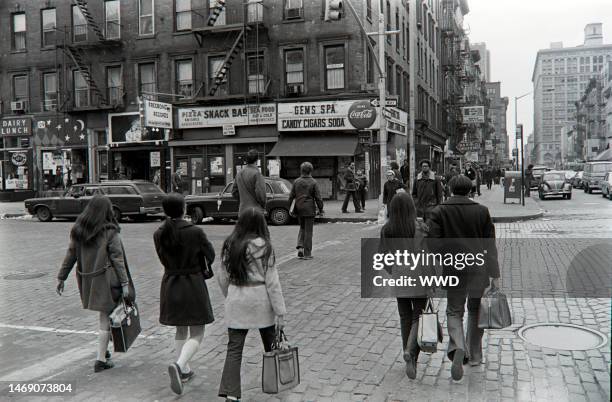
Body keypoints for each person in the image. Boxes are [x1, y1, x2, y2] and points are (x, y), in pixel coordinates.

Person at [427, 174, 501, 381]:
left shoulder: (439, 211)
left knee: (454, 310)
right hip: (478, 269)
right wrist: (495, 274)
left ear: (450, 189)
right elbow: (490, 247)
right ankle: (475, 355)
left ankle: (459, 346)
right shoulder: (482, 211)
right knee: (476, 310)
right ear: (470, 190)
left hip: (453, 269)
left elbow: (432, 244)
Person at [56, 195, 133, 373]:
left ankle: (103, 350)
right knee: (106, 318)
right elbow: (117, 259)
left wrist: (61, 277)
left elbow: (71, 255)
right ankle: (100, 359)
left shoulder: (79, 230)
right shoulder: (110, 232)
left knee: (105, 316)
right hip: (106, 280)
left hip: (88, 280)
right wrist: (125, 283)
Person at [218, 208, 287, 401]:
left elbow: (222, 276)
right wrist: (280, 313)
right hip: (260, 300)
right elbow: (273, 283)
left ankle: (231, 394)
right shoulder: (265, 247)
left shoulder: (230, 245)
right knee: (271, 343)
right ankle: (276, 381)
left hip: (237, 298)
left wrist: (230, 295)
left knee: (234, 349)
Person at [153, 193, 215, 395]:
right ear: (184, 209)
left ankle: (185, 370)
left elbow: (162, 258)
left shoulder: (159, 233)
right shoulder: (195, 231)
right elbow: (211, 255)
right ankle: (180, 365)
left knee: (180, 330)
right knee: (197, 332)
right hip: (193, 283)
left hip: (171, 282)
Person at [380, 192, 430, 379]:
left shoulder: (387, 229)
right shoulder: (421, 228)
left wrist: (393, 270)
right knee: (418, 315)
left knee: (404, 316)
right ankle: (411, 352)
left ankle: (406, 351)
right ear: (411, 208)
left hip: (400, 274)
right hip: (419, 275)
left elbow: (383, 256)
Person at [288, 162, 324, 260]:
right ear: (310, 171)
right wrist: (321, 209)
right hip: (309, 209)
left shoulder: (296, 181)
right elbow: (318, 198)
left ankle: (300, 247)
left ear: (301, 170)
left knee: (302, 228)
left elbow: (291, 196)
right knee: (308, 231)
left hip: (299, 208)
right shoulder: (313, 182)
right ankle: (307, 253)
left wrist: (290, 208)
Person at [232, 149, 267, 214]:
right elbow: (261, 194)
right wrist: (263, 206)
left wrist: (243, 201)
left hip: (242, 210)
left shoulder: (239, 173)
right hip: (255, 211)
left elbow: (234, 192)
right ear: (256, 160)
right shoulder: (257, 174)